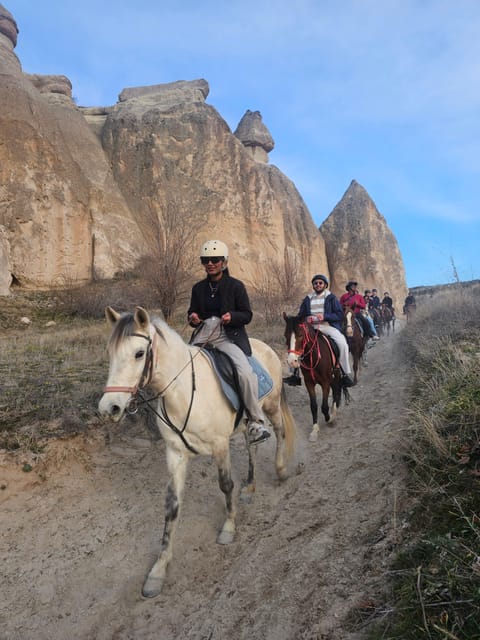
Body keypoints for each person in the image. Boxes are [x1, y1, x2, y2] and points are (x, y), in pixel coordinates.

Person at [187, 239, 270, 445]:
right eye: (206, 260)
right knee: (184, 365)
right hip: (204, 333)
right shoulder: (198, 288)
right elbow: (192, 312)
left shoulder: (236, 286)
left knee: (244, 371)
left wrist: (231, 317)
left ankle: (256, 421)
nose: (210, 263)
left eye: (215, 259)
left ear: (223, 262)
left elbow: (247, 315)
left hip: (228, 335)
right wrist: (193, 317)